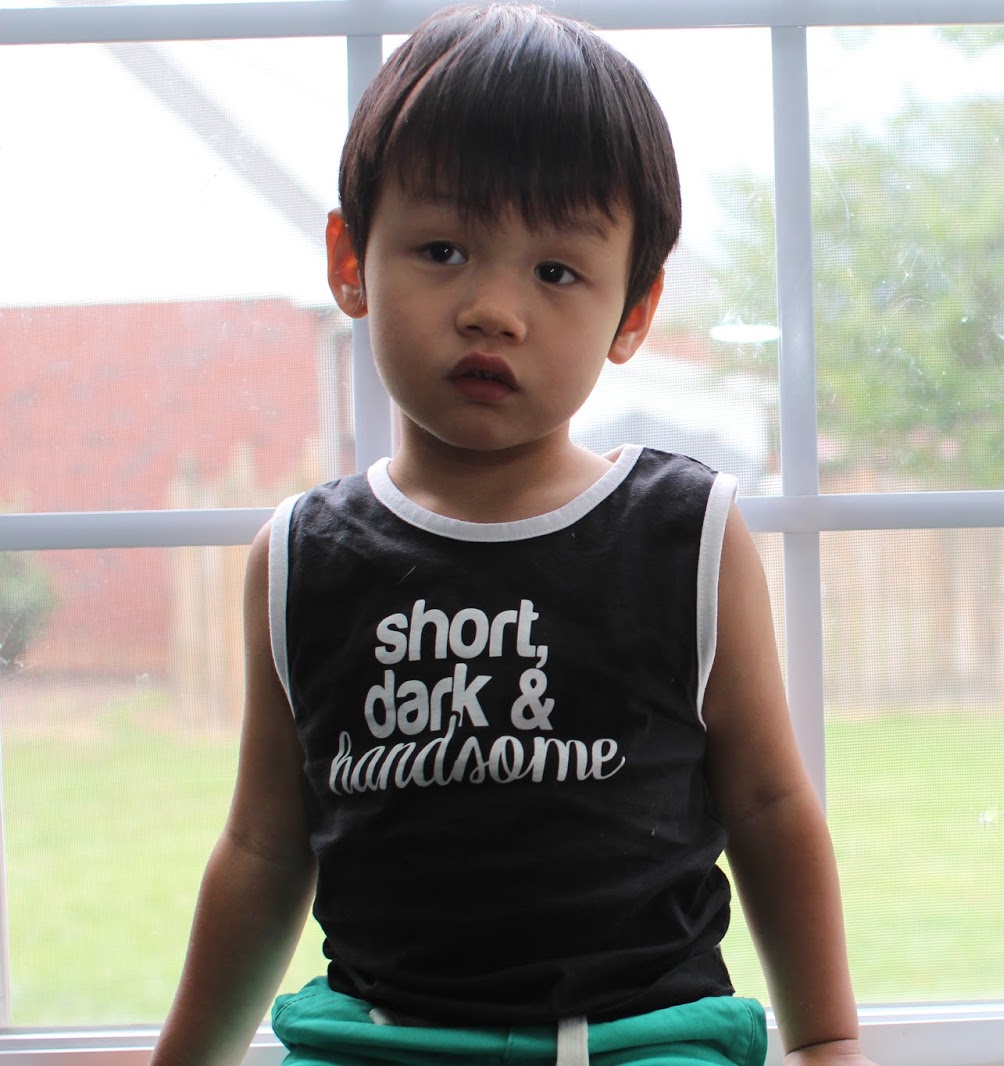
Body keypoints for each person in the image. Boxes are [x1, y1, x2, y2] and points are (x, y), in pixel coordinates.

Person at [151, 6, 873, 1064]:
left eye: (556, 271)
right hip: (382, 1043)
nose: (493, 308)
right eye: (443, 249)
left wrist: (828, 1041)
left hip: (638, 1040)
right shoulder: (303, 557)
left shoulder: (687, 537)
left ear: (634, 310)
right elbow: (263, 847)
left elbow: (767, 804)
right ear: (351, 260)